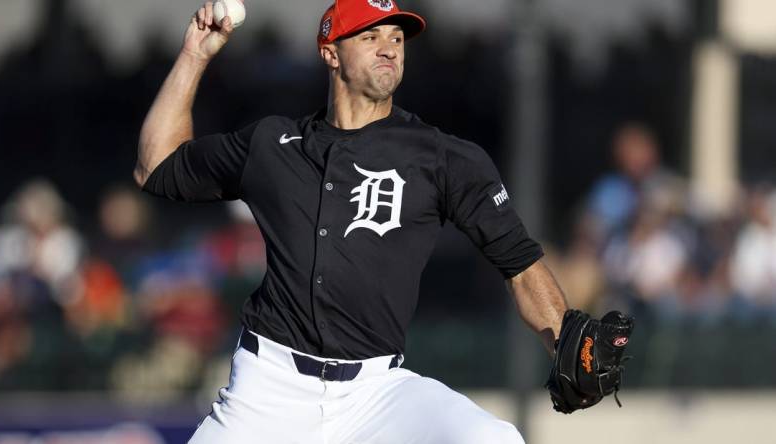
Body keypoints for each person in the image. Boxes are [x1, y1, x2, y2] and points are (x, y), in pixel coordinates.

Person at [135, 0, 568, 442]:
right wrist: (194, 53)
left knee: (494, 439)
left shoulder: (442, 157)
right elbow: (156, 167)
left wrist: (568, 345)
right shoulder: (273, 144)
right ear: (330, 52)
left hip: (377, 392)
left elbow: (520, 264)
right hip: (268, 390)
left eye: (397, 38)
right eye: (370, 36)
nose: (389, 48)